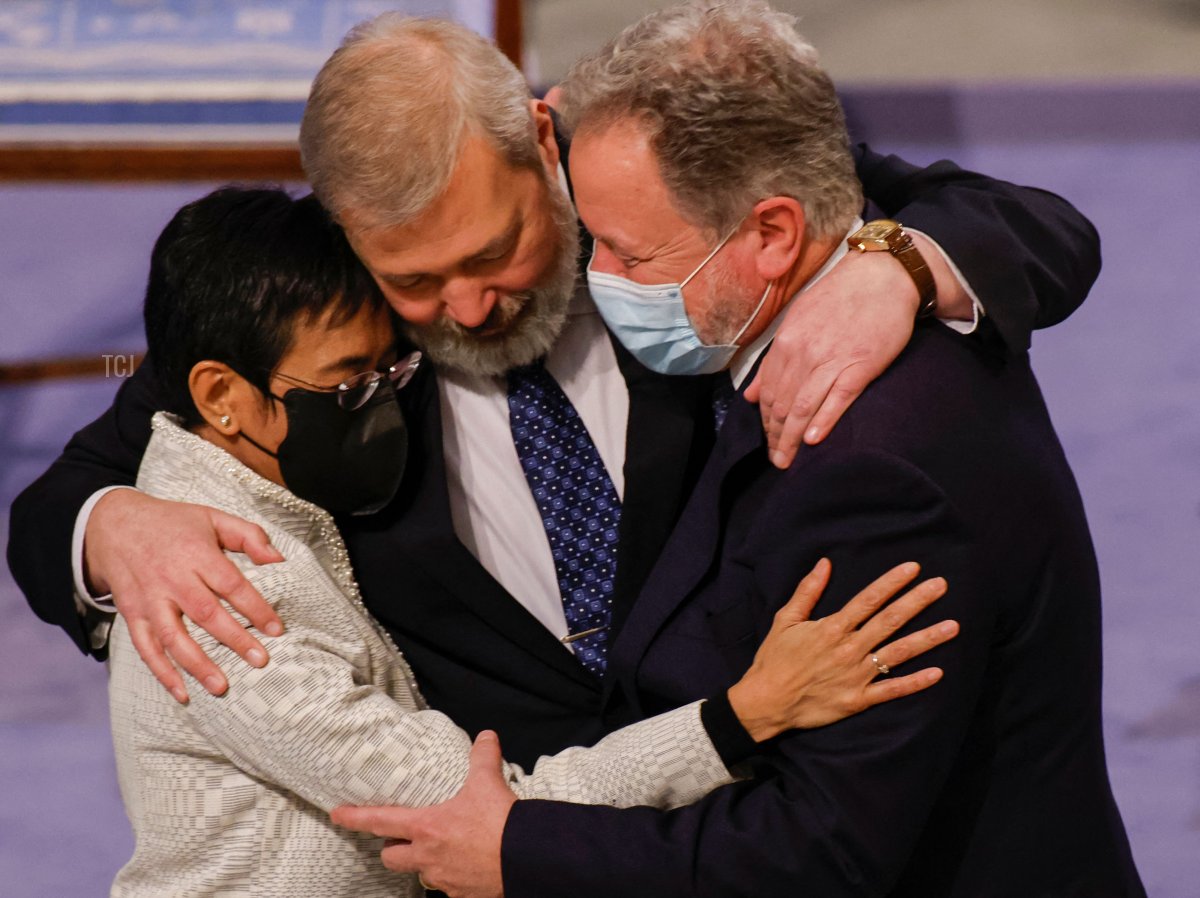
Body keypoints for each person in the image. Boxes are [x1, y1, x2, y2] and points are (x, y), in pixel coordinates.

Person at [7, 11, 1101, 773]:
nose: (470, 307)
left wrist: (895, 265)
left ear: (541, 137)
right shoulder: (294, 314)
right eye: (416, 281)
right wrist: (120, 529)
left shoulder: (658, 181)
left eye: (497, 252)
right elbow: (60, 504)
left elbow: (1036, 225)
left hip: (771, 820)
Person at [331, 4, 1145, 897]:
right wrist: (142, 512)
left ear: (772, 235)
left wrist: (518, 851)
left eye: (628, 257)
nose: (596, 278)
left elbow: (824, 847)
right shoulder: (719, 225)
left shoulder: (872, 462)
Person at [109, 185, 956, 897]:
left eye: (392, 373)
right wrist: (742, 716)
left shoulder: (258, 502)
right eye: (349, 384)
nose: (380, 402)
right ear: (222, 396)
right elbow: (488, 816)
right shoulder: (214, 600)